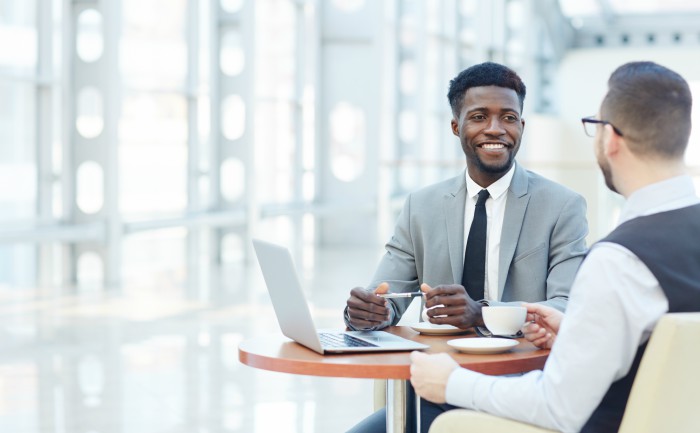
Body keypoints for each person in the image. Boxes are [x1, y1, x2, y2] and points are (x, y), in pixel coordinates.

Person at [410, 61, 700, 433]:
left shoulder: (620, 259)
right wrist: (578, 330)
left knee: (428, 416)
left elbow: (557, 407)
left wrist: (451, 381)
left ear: (610, 138)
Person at [345, 62, 589, 432]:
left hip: (521, 388)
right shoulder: (421, 206)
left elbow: (565, 306)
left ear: (521, 126)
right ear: (457, 127)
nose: (496, 129)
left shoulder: (562, 206)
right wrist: (368, 311)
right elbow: (388, 295)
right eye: (479, 117)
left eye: (508, 117)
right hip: (436, 385)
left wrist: (484, 313)